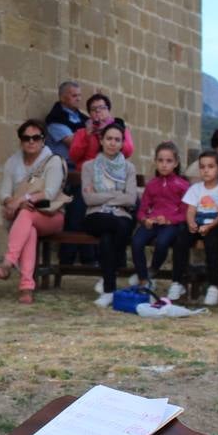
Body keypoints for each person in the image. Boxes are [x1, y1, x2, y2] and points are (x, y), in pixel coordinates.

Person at [0, 119, 67, 304]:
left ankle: (7, 263)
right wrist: (13, 202)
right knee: (29, 229)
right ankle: (26, 288)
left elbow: (49, 193)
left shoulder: (52, 161)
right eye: (26, 138)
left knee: (26, 214)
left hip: (51, 216)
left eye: (36, 137)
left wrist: (21, 201)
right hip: (26, 218)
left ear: (43, 140)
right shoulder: (12, 162)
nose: (31, 142)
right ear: (20, 141)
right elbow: (4, 193)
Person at [83, 123, 137, 307]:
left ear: (122, 143)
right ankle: (117, 265)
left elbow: (131, 199)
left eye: (117, 140)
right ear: (101, 140)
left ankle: (108, 289)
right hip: (95, 215)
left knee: (108, 238)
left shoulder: (129, 168)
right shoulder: (89, 167)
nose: (112, 143)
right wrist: (116, 196)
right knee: (117, 227)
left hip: (121, 216)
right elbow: (89, 199)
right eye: (109, 139)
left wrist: (103, 198)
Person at [130, 142, 189, 298]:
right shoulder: (152, 185)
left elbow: (185, 213)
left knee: (162, 242)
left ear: (176, 163)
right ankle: (143, 279)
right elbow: (142, 210)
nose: (164, 165)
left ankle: (152, 270)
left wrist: (169, 220)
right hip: (152, 222)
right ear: (155, 161)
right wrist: (144, 220)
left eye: (169, 161)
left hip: (171, 225)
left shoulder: (183, 185)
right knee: (136, 241)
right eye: (160, 160)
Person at [44, 81, 94, 267]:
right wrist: (90, 134)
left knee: (84, 211)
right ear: (63, 97)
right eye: (74, 95)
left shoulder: (80, 117)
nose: (79, 99)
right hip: (65, 173)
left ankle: (86, 257)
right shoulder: (56, 119)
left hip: (82, 171)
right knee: (76, 213)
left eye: (80, 95)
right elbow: (73, 143)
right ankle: (70, 258)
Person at [174, 150, 218, 305]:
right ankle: (177, 282)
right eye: (202, 166)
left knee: (212, 244)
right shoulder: (196, 188)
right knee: (181, 240)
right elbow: (191, 210)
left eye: (210, 166)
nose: (206, 170)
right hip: (198, 221)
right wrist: (191, 223)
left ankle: (213, 285)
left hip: (215, 223)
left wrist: (210, 225)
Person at [69, 93, 134, 168]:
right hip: (88, 173)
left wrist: (109, 134)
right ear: (90, 114)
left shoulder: (120, 129)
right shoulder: (82, 132)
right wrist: (86, 137)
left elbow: (128, 151)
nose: (97, 111)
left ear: (108, 111)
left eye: (102, 107)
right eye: (93, 109)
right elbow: (74, 156)